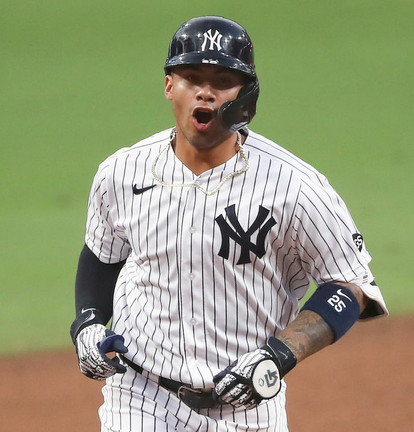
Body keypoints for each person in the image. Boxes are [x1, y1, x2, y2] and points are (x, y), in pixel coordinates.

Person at [69, 15, 388, 432]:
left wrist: (280, 355)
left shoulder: (294, 186)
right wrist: (88, 323)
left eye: (222, 80)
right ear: (169, 86)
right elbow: (101, 255)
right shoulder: (122, 172)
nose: (204, 91)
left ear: (246, 96)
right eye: (190, 77)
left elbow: (350, 287)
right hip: (140, 398)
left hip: (249, 411)